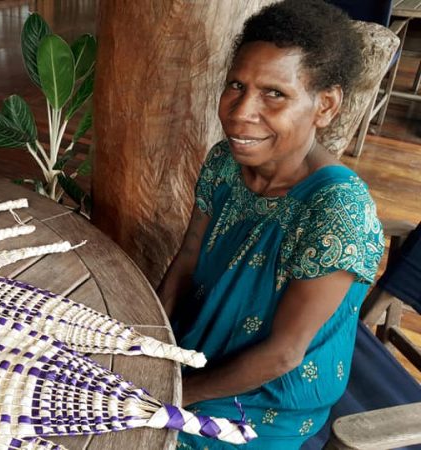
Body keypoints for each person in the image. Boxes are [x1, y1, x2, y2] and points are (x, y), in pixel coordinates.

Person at [156, 1, 385, 448]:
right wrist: (150, 347)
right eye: (236, 86)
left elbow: (283, 354)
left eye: (274, 93)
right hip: (195, 351)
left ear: (326, 105)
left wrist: (173, 394)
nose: (241, 112)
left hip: (267, 399)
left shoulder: (337, 211)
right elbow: (186, 260)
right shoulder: (225, 162)